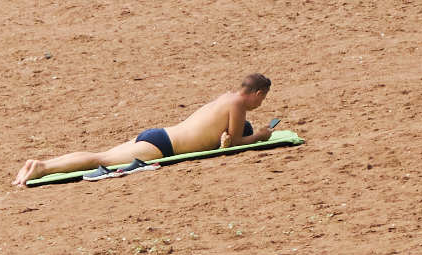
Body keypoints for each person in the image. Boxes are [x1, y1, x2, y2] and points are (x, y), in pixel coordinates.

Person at [14, 75, 272, 187]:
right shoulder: (238, 104)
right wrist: (259, 135)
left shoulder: (226, 98)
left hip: (159, 135)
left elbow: (226, 139)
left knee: (100, 154)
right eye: (262, 100)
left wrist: (224, 141)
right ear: (257, 94)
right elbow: (239, 140)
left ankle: (40, 164)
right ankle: (43, 168)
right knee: (99, 159)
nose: (260, 104)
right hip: (163, 147)